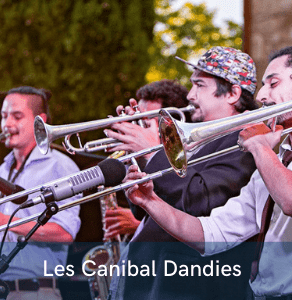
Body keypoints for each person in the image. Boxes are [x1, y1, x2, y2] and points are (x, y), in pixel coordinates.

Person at [125, 46, 292, 299]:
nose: (261, 94)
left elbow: (290, 199)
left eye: (273, 83)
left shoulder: (259, 151)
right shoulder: (273, 160)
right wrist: (150, 201)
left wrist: (259, 146)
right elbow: (212, 232)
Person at [0, 86, 81, 300]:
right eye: (4, 117)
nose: (6, 124)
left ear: (39, 120)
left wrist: (2, 221)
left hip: (34, 292)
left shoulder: (59, 166)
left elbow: (64, 233)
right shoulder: (4, 169)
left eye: (17, 116)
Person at [104, 80, 190, 240]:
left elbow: (192, 212)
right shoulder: (141, 160)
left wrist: (139, 225)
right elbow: (140, 213)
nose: (139, 128)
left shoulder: (191, 156)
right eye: (138, 119)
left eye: (146, 121)